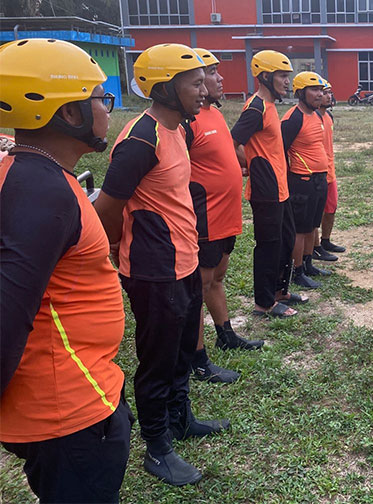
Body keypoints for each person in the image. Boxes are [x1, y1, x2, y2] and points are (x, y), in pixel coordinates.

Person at [0, 38, 132, 503]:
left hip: (76, 394)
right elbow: (8, 314)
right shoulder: (41, 193)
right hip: (68, 415)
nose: (108, 108)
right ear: (70, 114)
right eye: (101, 97)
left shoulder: (37, 175)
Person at [94, 43, 229, 486]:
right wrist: (117, 249)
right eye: (194, 82)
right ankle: (157, 447)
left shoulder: (177, 128)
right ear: (165, 87)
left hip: (186, 260)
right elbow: (109, 207)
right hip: (155, 270)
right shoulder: (140, 138)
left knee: (182, 351)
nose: (204, 88)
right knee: (156, 360)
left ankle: (180, 419)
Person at [185, 48, 264, 385]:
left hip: (227, 216)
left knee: (217, 278)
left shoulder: (213, 114)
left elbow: (227, 148)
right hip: (204, 219)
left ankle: (225, 334)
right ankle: (197, 359)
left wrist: (240, 163)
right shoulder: (185, 122)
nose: (220, 79)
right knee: (197, 286)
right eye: (213, 73)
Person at [231, 50, 308, 318]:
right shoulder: (255, 108)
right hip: (266, 191)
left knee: (286, 240)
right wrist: (250, 166)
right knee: (268, 245)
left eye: (288, 77)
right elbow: (233, 143)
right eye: (283, 76)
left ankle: (280, 292)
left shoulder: (270, 106)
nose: (288, 82)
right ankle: (263, 303)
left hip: (281, 187)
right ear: (265, 76)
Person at [281, 71, 331, 288]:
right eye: (314, 90)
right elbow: (280, 150)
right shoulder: (293, 118)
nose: (319, 94)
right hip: (301, 181)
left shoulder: (317, 116)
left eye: (321, 90)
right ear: (300, 92)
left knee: (312, 226)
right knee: (300, 229)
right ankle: (296, 271)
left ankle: (309, 264)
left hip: (319, 180)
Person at [313, 79, 347, 263]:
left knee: (331, 208)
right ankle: (315, 247)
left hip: (329, 171)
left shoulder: (329, 117)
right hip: (315, 173)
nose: (328, 96)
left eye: (329, 92)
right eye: (324, 92)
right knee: (315, 214)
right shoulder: (309, 117)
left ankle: (325, 241)